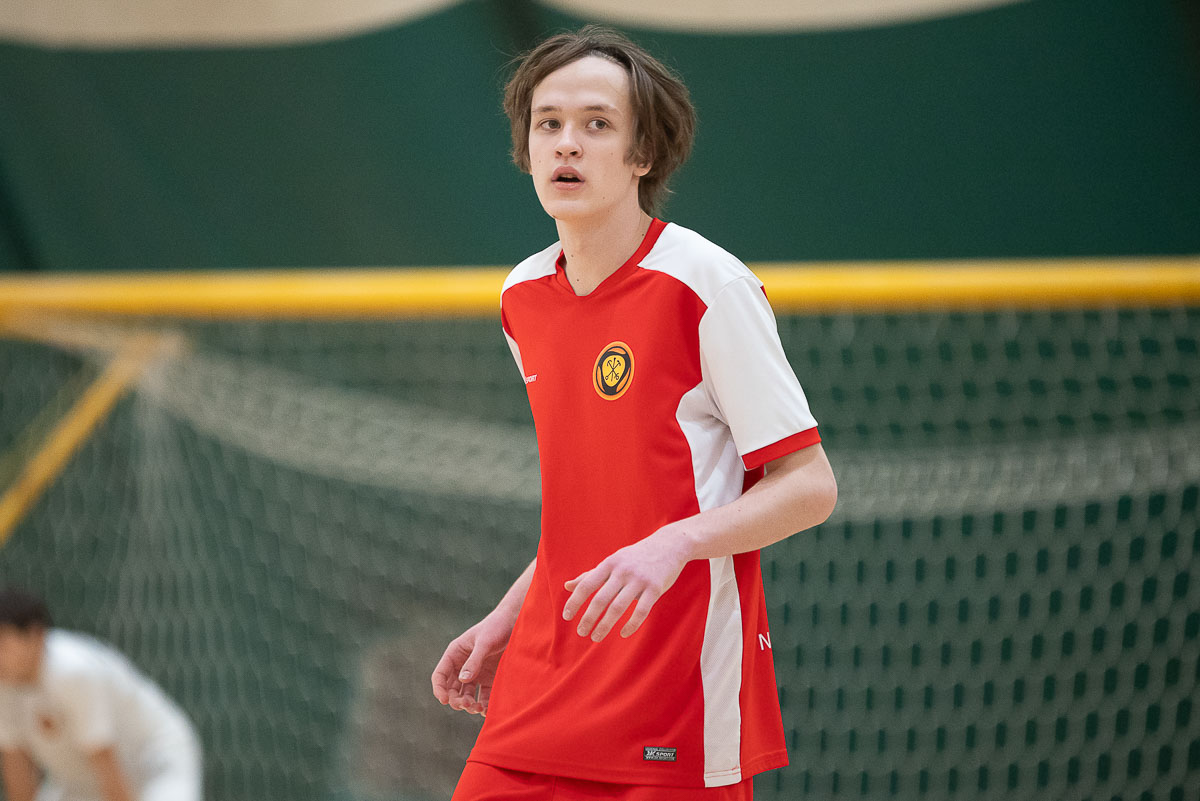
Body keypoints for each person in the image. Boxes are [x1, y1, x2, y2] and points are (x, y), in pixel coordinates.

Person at [432, 24, 837, 801]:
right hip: (543, 681)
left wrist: (675, 543)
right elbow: (592, 509)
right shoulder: (522, 297)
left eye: (597, 123)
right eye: (548, 124)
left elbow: (810, 485)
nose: (566, 144)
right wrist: (507, 614)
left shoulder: (707, 286)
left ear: (642, 152)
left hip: (672, 690)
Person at [0, 588, 202, 801]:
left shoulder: (72, 672)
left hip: (154, 765)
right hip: (84, 780)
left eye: (1, 643)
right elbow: (16, 764)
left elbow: (107, 765)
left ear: (36, 634)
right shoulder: (5, 682)